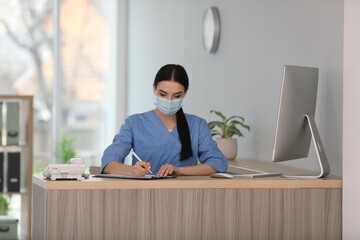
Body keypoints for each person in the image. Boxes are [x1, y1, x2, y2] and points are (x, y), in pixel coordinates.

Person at [101, 64, 228, 177]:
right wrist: (131, 171)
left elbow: (218, 164)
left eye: (176, 96)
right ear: (154, 89)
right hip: (144, 196)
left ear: (185, 93)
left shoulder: (197, 125)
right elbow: (108, 163)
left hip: (187, 196)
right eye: (163, 94)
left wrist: (179, 170)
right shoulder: (134, 123)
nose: (169, 100)